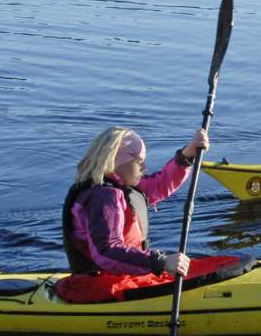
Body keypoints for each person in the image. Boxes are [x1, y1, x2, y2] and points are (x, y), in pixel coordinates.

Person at [57, 124, 208, 303]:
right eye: (139, 161)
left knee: (211, 268)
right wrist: (160, 262)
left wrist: (187, 155)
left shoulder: (124, 187)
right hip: (100, 287)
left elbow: (160, 184)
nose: (144, 166)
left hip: (126, 277)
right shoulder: (103, 197)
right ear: (116, 162)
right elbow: (106, 251)